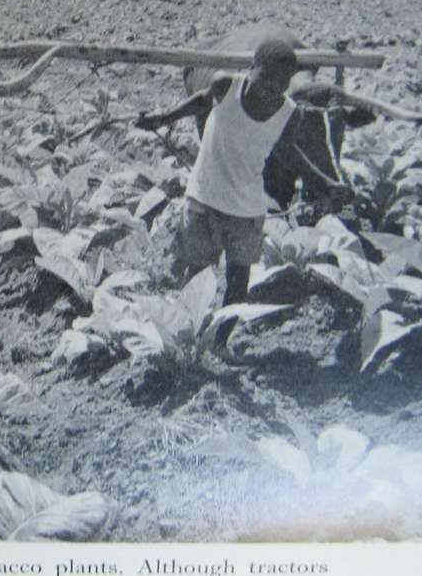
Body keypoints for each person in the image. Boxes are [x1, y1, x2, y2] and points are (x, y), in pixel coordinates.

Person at [135, 39, 351, 353]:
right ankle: (186, 342)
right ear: (252, 68)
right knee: (196, 274)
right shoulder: (226, 87)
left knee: (238, 284)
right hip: (204, 198)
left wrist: (326, 183)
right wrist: (162, 119)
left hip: (247, 209)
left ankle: (220, 344)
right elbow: (199, 102)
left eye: (281, 83)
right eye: (267, 78)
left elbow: (290, 152)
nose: (271, 88)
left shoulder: (289, 113)